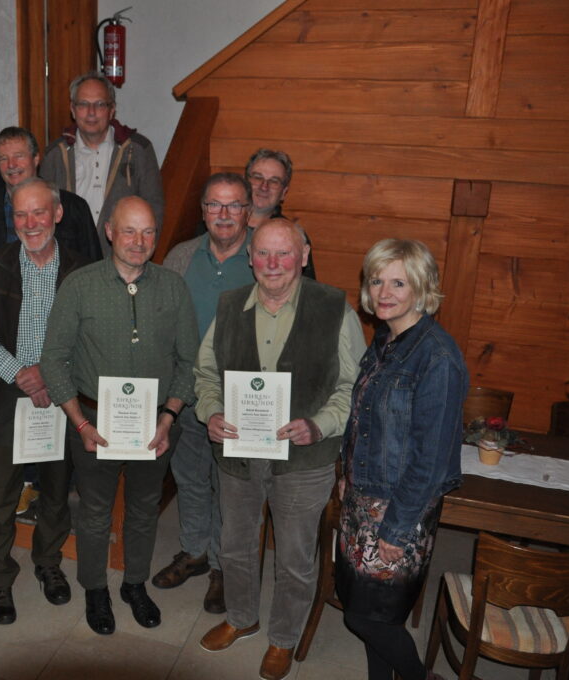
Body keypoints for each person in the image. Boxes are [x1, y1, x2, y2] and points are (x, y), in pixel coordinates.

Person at [194, 219, 366, 680]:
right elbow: (206, 373)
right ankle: (241, 617)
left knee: (294, 557)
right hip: (239, 454)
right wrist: (210, 412)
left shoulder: (335, 309)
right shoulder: (229, 307)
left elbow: (353, 386)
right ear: (250, 258)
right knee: (234, 545)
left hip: (305, 460)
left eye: (284, 253)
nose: (273, 264)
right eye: (264, 254)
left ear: (304, 256)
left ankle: (283, 638)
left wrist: (320, 425)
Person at [40, 196, 199, 636]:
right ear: (109, 231)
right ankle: (95, 588)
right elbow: (53, 359)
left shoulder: (172, 287)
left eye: (148, 232)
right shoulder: (79, 284)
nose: (139, 241)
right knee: (94, 512)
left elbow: (189, 361)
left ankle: (134, 584)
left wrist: (168, 418)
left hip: (155, 426)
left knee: (145, 509)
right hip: (93, 424)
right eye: (129, 231)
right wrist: (81, 423)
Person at [0, 177, 92, 625]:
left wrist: (50, 377)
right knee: (0, 495)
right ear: (11, 219)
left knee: (56, 491)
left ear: (57, 214)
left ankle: (49, 564)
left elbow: (89, 339)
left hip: (61, 401)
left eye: (39, 212)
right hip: (6, 397)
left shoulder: (81, 270)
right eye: (21, 214)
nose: (30, 222)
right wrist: (22, 373)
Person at [337, 239, 467, 680]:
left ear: (422, 288)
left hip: (398, 510)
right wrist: (346, 473)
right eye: (377, 281)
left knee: (366, 618)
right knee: (372, 613)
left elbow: (429, 461)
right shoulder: (387, 340)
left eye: (399, 282)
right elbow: (363, 419)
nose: (384, 292)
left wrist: (396, 525)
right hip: (363, 499)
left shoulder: (437, 356)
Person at [154, 173, 254, 614]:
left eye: (234, 205)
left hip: (235, 398)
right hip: (185, 393)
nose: (225, 214)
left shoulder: (261, 255)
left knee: (228, 487)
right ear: (203, 211)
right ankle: (194, 551)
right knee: (190, 477)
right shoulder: (181, 256)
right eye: (215, 205)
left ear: (248, 211)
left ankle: (220, 565)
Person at [39, 72, 164, 257]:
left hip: (122, 261)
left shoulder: (138, 150)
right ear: (72, 109)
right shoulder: (55, 155)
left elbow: (155, 209)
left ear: (112, 109)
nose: (91, 112)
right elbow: (42, 213)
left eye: (100, 104)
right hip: (69, 262)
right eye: (83, 104)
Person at [0, 126, 102, 261]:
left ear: (35, 159)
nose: (11, 165)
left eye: (19, 156)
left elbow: (93, 265)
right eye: (3, 158)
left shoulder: (73, 206)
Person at [243, 148, 315, 280]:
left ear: (283, 193)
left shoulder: (294, 236)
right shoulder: (218, 226)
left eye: (274, 181)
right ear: (245, 183)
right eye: (258, 177)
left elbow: (307, 289)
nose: (264, 187)